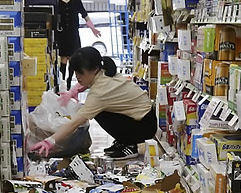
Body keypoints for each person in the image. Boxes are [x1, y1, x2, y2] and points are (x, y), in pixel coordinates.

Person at [30, 46, 158, 161]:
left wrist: (49, 141)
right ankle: (124, 141)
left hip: (144, 126)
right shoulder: (105, 71)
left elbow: (75, 122)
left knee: (95, 111)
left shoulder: (100, 92)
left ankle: (130, 145)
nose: (77, 76)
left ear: (94, 69)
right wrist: (72, 91)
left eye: (80, 72)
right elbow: (84, 83)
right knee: (95, 109)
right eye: (75, 72)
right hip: (146, 118)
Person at [56, 0, 101, 90]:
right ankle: (61, 84)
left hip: (73, 34)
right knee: (63, 59)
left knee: (73, 58)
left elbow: (84, 14)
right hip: (61, 34)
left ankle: (69, 82)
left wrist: (93, 28)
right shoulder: (56, 0)